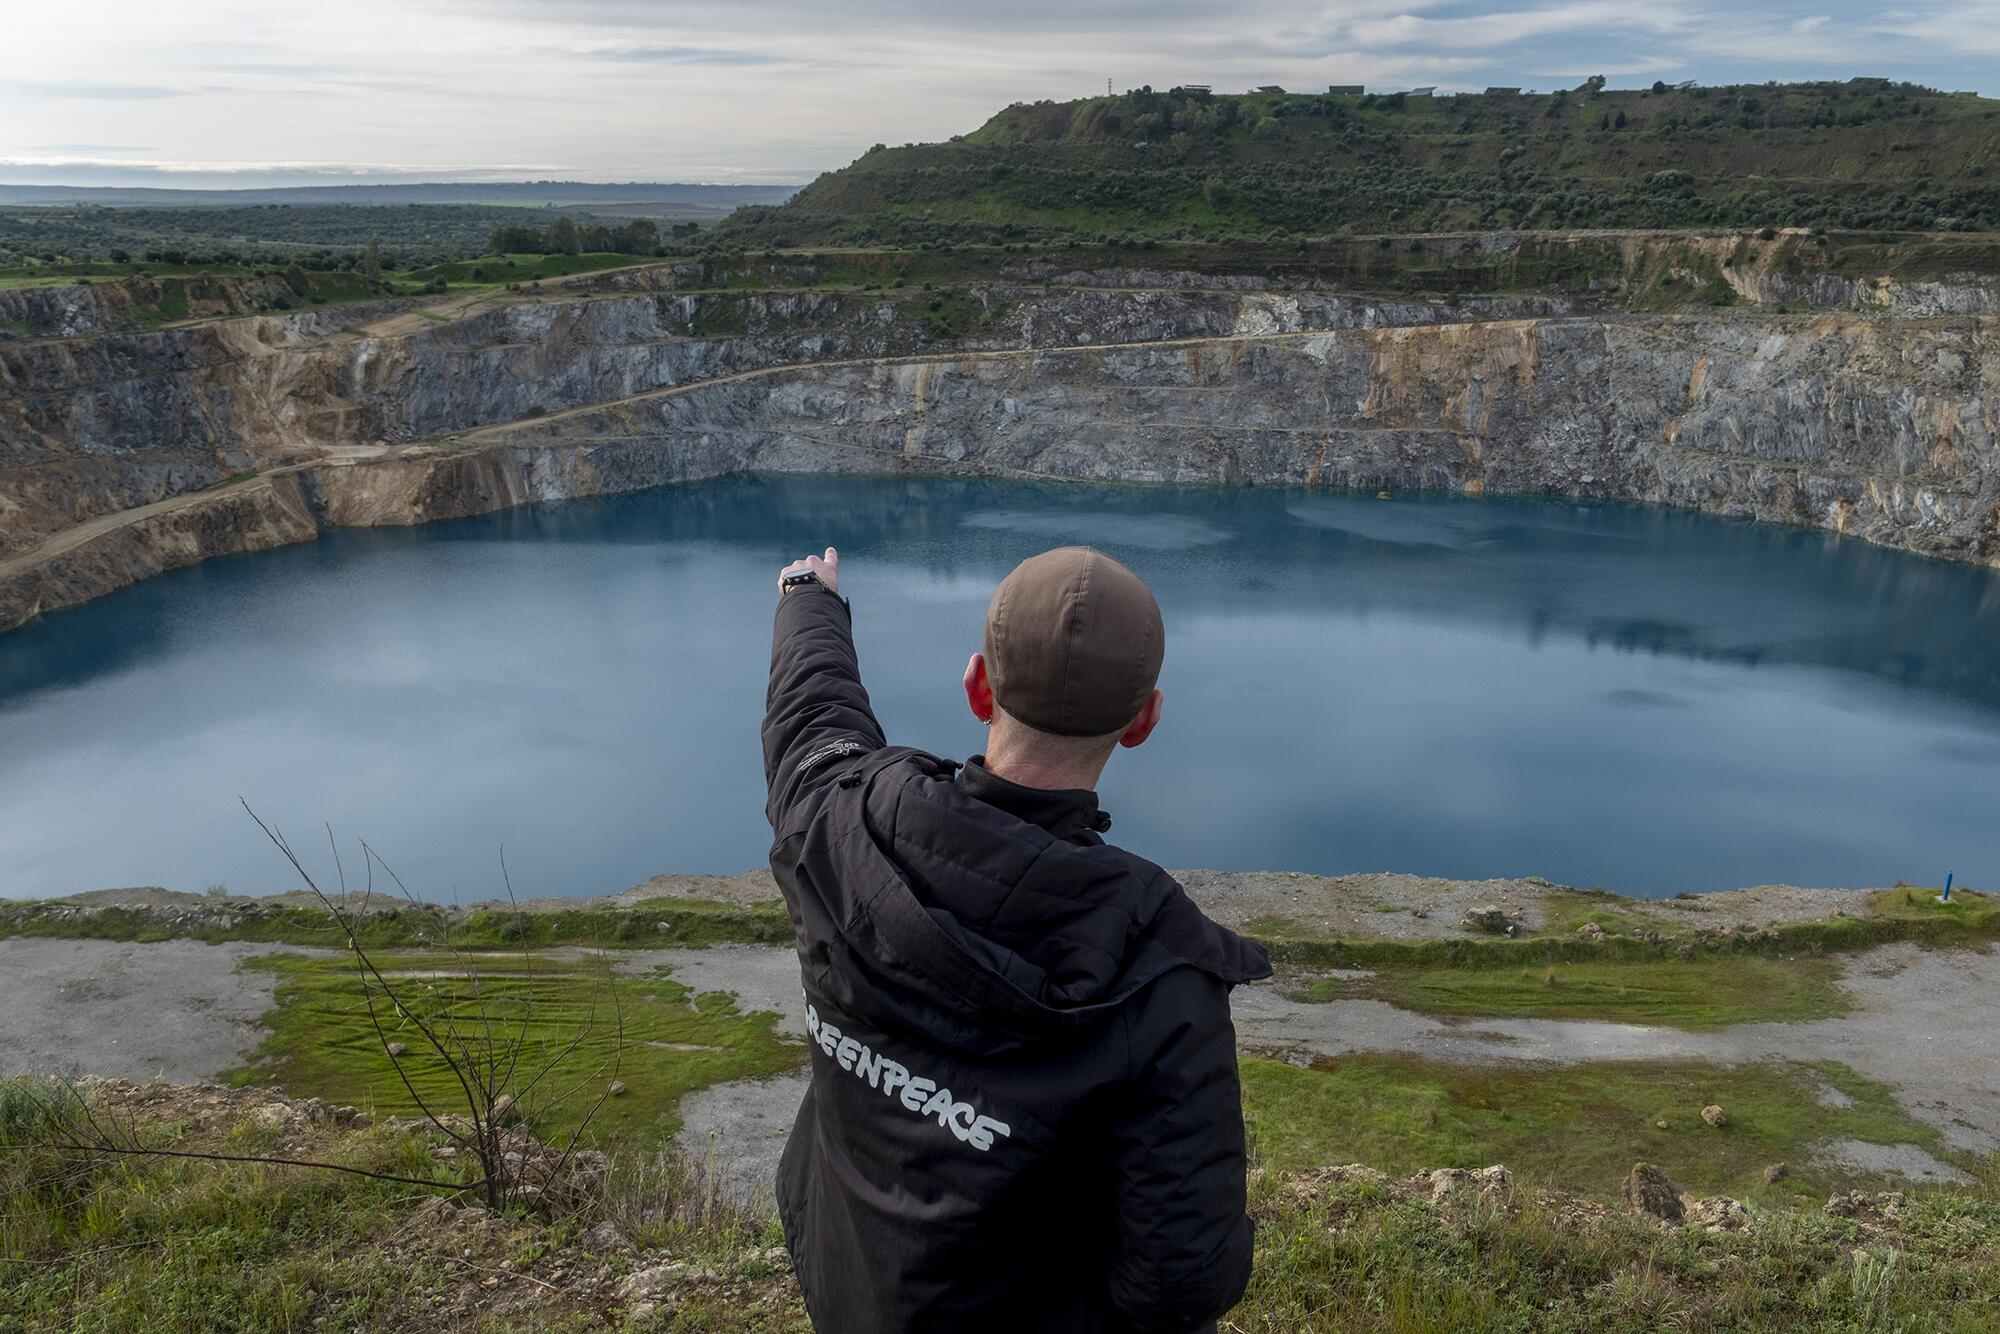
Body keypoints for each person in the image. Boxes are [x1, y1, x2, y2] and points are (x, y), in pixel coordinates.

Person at [762, 542, 1271, 1333]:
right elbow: (1181, 1281)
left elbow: (812, 726)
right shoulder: (1161, 979)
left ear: (977, 686)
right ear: (1144, 721)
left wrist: (807, 598)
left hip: (850, 1293)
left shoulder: (843, 825)